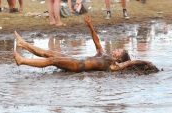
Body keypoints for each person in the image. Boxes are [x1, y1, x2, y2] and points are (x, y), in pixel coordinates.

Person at [12, 16, 158, 73]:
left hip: (79, 66)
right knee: (49, 53)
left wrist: (147, 62)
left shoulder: (115, 65)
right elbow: (96, 41)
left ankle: (22, 61)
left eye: (119, 51)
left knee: (52, 60)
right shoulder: (103, 54)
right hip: (76, 60)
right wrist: (91, 27)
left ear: (120, 58)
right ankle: (23, 44)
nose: (116, 49)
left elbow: (133, 61)